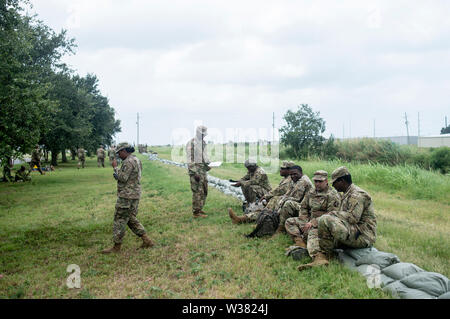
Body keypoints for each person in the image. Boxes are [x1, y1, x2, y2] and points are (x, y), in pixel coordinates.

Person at [298, 166, 377, 271]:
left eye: (334, 182)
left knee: (325, 219)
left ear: (342, 181)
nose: (333, 185)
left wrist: (332, 214)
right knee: (315, 229)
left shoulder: (357, 195)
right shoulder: (346, 194)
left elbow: (353, 218)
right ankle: (320, 257)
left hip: (362, 235)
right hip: (351, 230)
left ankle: (325, 255)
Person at [101, 142, 154, 254]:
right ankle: (146, 240)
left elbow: (123, 178)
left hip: (126, 195)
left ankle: (116, 247)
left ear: (125, 150)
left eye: (119, 152)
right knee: (130, 219)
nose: (118, 155)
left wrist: (115, 168)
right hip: (135, 194)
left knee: (119, 219)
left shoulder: (128, 162)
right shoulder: (136, 160)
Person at [285, 170, 340, 254]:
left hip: (322, 223)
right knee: (289, 222)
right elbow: (303, 206)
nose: (317, 183)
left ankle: (316, 253)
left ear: (326, 181)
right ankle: (300, 242)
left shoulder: (332, 195)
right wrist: (304, 218)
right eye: (315, 181)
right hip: (309, 219)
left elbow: (331, 214)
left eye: (320, 181)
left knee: (312, 231)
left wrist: (313, 222)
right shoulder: (311, 191)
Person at [227, 160, 294, 224]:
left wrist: (266, 196)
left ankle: (243, 218)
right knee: (264, 209)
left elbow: (278, 191)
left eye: (282, 168)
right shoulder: (285, 179)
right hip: (278, 199)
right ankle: (245, 216)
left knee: (266, 211)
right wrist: (240, 181)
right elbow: (245, 178)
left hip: (273, 195)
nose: (280, 170)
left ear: (289, 170)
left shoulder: (288, 180)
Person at [274, 165, 313, 234]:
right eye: (291, 174)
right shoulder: (295, 180)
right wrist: (281, 200)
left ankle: (281, 229)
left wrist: (282, 202)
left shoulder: (303, 181)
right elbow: (287, 194)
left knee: (288, 203)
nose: (293, 176)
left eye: (295, 174)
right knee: (279, 199)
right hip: (301, 204)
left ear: (301, 173)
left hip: (307, 209)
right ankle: (276, 219)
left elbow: (296, 199)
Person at [186, 125, 211, 218]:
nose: (204, 136)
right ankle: (196, 212)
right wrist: (195, 172)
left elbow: (203, 157)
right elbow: (190, 159)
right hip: (196, 172)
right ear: (198, 133)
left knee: (204, 190)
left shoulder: (203, 143)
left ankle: (199, 208)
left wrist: (208, 165)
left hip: (203, 171)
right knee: (197, 191)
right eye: (202, 134)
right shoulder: (192, 143)